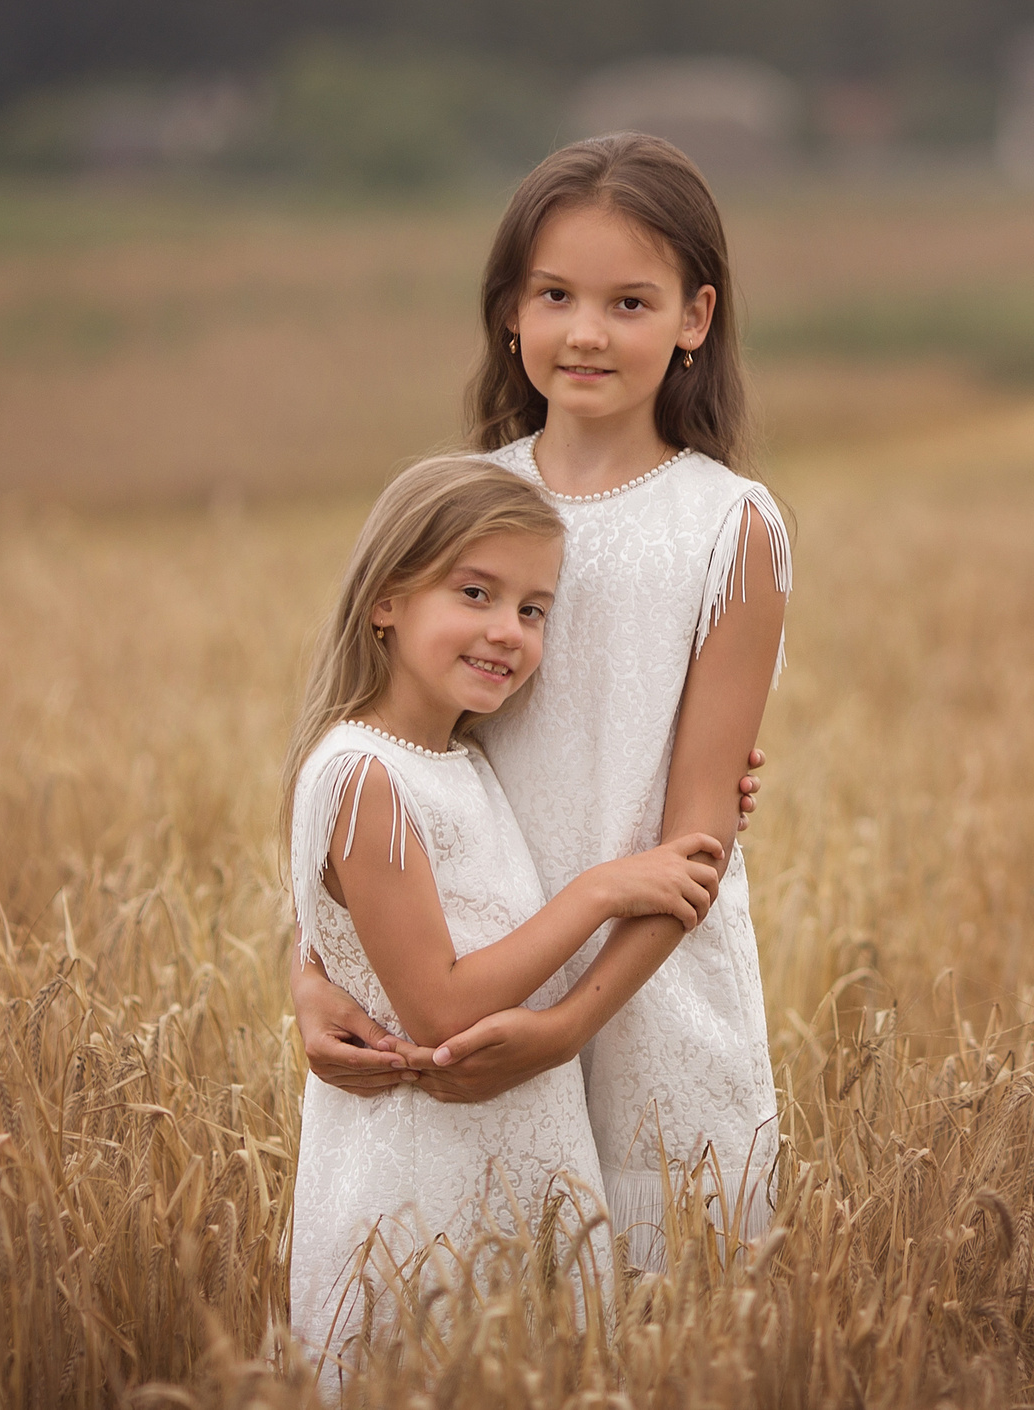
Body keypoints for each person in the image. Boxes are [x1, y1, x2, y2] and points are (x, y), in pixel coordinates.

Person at [294, 132, 791, 1264]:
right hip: (459, 1006)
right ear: (509, 313)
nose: (584, 332)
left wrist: (567, 1026)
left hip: (647, 995)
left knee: (668, 1323)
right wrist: (311, 977)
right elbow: (370, 757)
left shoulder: (728, 529)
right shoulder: (471, 510)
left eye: (629, 302)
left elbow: (697, 838)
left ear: (693, 320)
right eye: (555, 295)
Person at [283, 454, 727, 1387]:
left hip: (511, 1154)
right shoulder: (366, 774)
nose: (507, 632)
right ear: (385, 600)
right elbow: (439, 1008)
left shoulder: (459, 761)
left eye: (532, 610)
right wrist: (603, 891)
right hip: (422, 1179)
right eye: (476, 593)